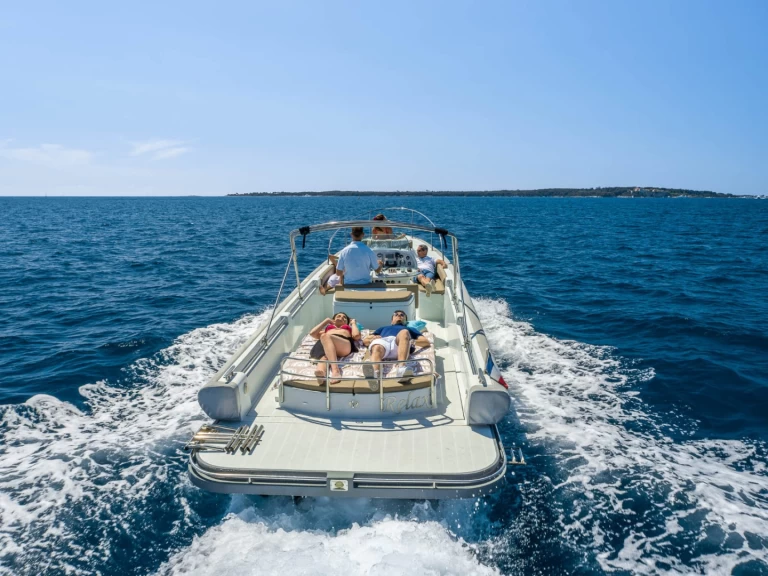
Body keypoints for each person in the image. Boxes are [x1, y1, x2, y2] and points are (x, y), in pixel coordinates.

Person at [362, 310, 431, 379]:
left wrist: (411, 341)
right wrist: (373, 338)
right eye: (396, 314)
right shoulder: (382, 328)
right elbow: (365, 341)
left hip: (399, 344)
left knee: (404, 332)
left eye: (402, 315)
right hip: (383, 344)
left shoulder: (410, 328)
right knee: (376, 347)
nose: (399, 316)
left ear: (405, 321)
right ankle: (375, 375)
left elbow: (426, 342)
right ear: (391, 321)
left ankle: (401, 369)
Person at [309, 312, 361, 383]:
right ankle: (321, 373)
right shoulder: (327, 329)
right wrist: (326, 321)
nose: (342, 317)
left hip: (343, 344)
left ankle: (335, 370)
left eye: (344, 317)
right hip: (327, 345)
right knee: (324, 357)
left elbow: (356, 336)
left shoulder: (349, 328)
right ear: (333, 320)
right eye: (338, 316)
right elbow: (312, 333)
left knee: (324, 336)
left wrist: (353, 323)